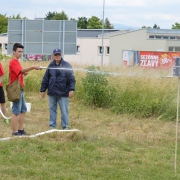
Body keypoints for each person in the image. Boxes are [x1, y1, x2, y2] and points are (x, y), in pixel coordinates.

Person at [9, 43, 41, 136]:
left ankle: (21, 130)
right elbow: (21, 70)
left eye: (22, 52)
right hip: (16, 89)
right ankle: (15, 132)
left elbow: (19, 72)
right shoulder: (13, 61)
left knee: (23, 109)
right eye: (19, 51)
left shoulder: (17, 62)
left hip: (21, 88)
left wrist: (23, 73)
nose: (20, 53)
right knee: (16, 111)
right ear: (13, 51)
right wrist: (32, 67)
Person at [40, 48, 76, 130]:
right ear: (53, 56)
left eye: (58, 54)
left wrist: (71, 89)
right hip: (52, 93)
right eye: (55, 55)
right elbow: (46, 78)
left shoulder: (67, 65)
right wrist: (42, 90)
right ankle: (52, 126)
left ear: (61, 55)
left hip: (63, 93)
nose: (57, 56)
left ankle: (65, 126)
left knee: (64, 111)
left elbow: (72, 79)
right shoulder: (50, 65)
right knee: (52, 110)